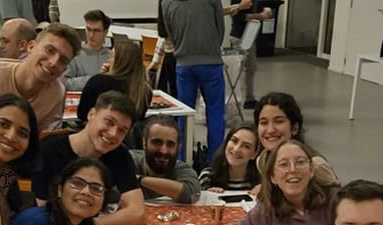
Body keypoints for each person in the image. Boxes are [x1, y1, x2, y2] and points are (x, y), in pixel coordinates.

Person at [209, 139, 335, 225]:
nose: (292, 169)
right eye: (284, 164)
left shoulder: (335, 202)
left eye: (300, 162)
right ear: (273, 177)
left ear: (311, 171)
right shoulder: (266, 212)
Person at [32, 90, 146, 225]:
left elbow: (138, 212)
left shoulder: (119, 154)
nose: (113, 134)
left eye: (122, 130)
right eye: (109, 122)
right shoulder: (49, 151)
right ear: (91, 114)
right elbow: (44, 210)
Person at [162, 0, 226, 163]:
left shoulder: (166, 2)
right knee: (215, 112)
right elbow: (220, 27)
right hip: (211, 62)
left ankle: (182, 160)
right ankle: (215, 162)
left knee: (184, 114)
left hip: (184, 64)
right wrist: (212, 50)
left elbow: (171, 33)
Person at [254, 91, 338, 187]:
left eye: (279, 121)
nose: (270, 130)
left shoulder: (316, 165)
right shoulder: (263, 160)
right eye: (264, 123)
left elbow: (339, 199)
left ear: (294, 128)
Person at [77, 37, 152, 125]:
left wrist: (102, 75)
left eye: (112, 56)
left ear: (119, 61)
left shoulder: (98, 82)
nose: (108, 60)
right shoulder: (145, 91)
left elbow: (82, 114)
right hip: (127, 136)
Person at [131, 115, 201, 204]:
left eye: (170, 144)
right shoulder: (129, 160)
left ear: (178, 147)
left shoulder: (183, 169)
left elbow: (192, 195)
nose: (164, 151)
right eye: (157, 142)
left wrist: (138, 179)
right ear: (144, 143)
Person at [225, 0, 272, 109]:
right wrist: (260, 15)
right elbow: (238, 17)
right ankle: (234, 98)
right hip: (241, 37)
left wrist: (265, 10)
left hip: (249, 34)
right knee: (238, 69)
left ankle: (248, 98)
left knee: (250, 68)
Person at [199, 122, 259, 192]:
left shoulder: (262, 182)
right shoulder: (207, 177)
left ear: (254, 154)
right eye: (234, 141)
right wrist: (210, 196)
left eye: (246, 146)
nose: (236, 149)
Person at [64, 9, 112, 92]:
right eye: (88, 29)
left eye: (96, 31)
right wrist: (95, 80)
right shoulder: (74, 54)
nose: (91, 35)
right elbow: (66, 83)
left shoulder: (111, 56)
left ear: (105, 32)